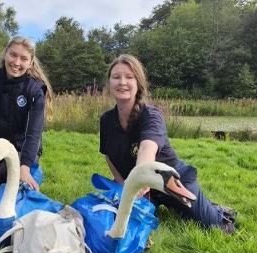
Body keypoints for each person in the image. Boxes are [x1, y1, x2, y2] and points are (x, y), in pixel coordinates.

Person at [99, 54, 237, 234]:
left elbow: (147, 150)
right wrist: (122, 182)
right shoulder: (106, 120)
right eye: (116, 77)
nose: (122, 82)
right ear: (109, 83)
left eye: (129, 77)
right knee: (120, 221)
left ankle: (217, 210)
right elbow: (108, 154)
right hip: (140, 187)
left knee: (213, 226)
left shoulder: (151, 115)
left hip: (171, 181)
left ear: (138, 83)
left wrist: (141, 178)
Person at [0, 36, 53, 200]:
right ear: (5, 54)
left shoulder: (35, 90)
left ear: (30, 62)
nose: (17, 62)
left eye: (24, 58)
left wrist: (24, 168)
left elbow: (34, 134)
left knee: (18, 189)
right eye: (13, 55)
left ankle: (33, 170)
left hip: (22, 150)